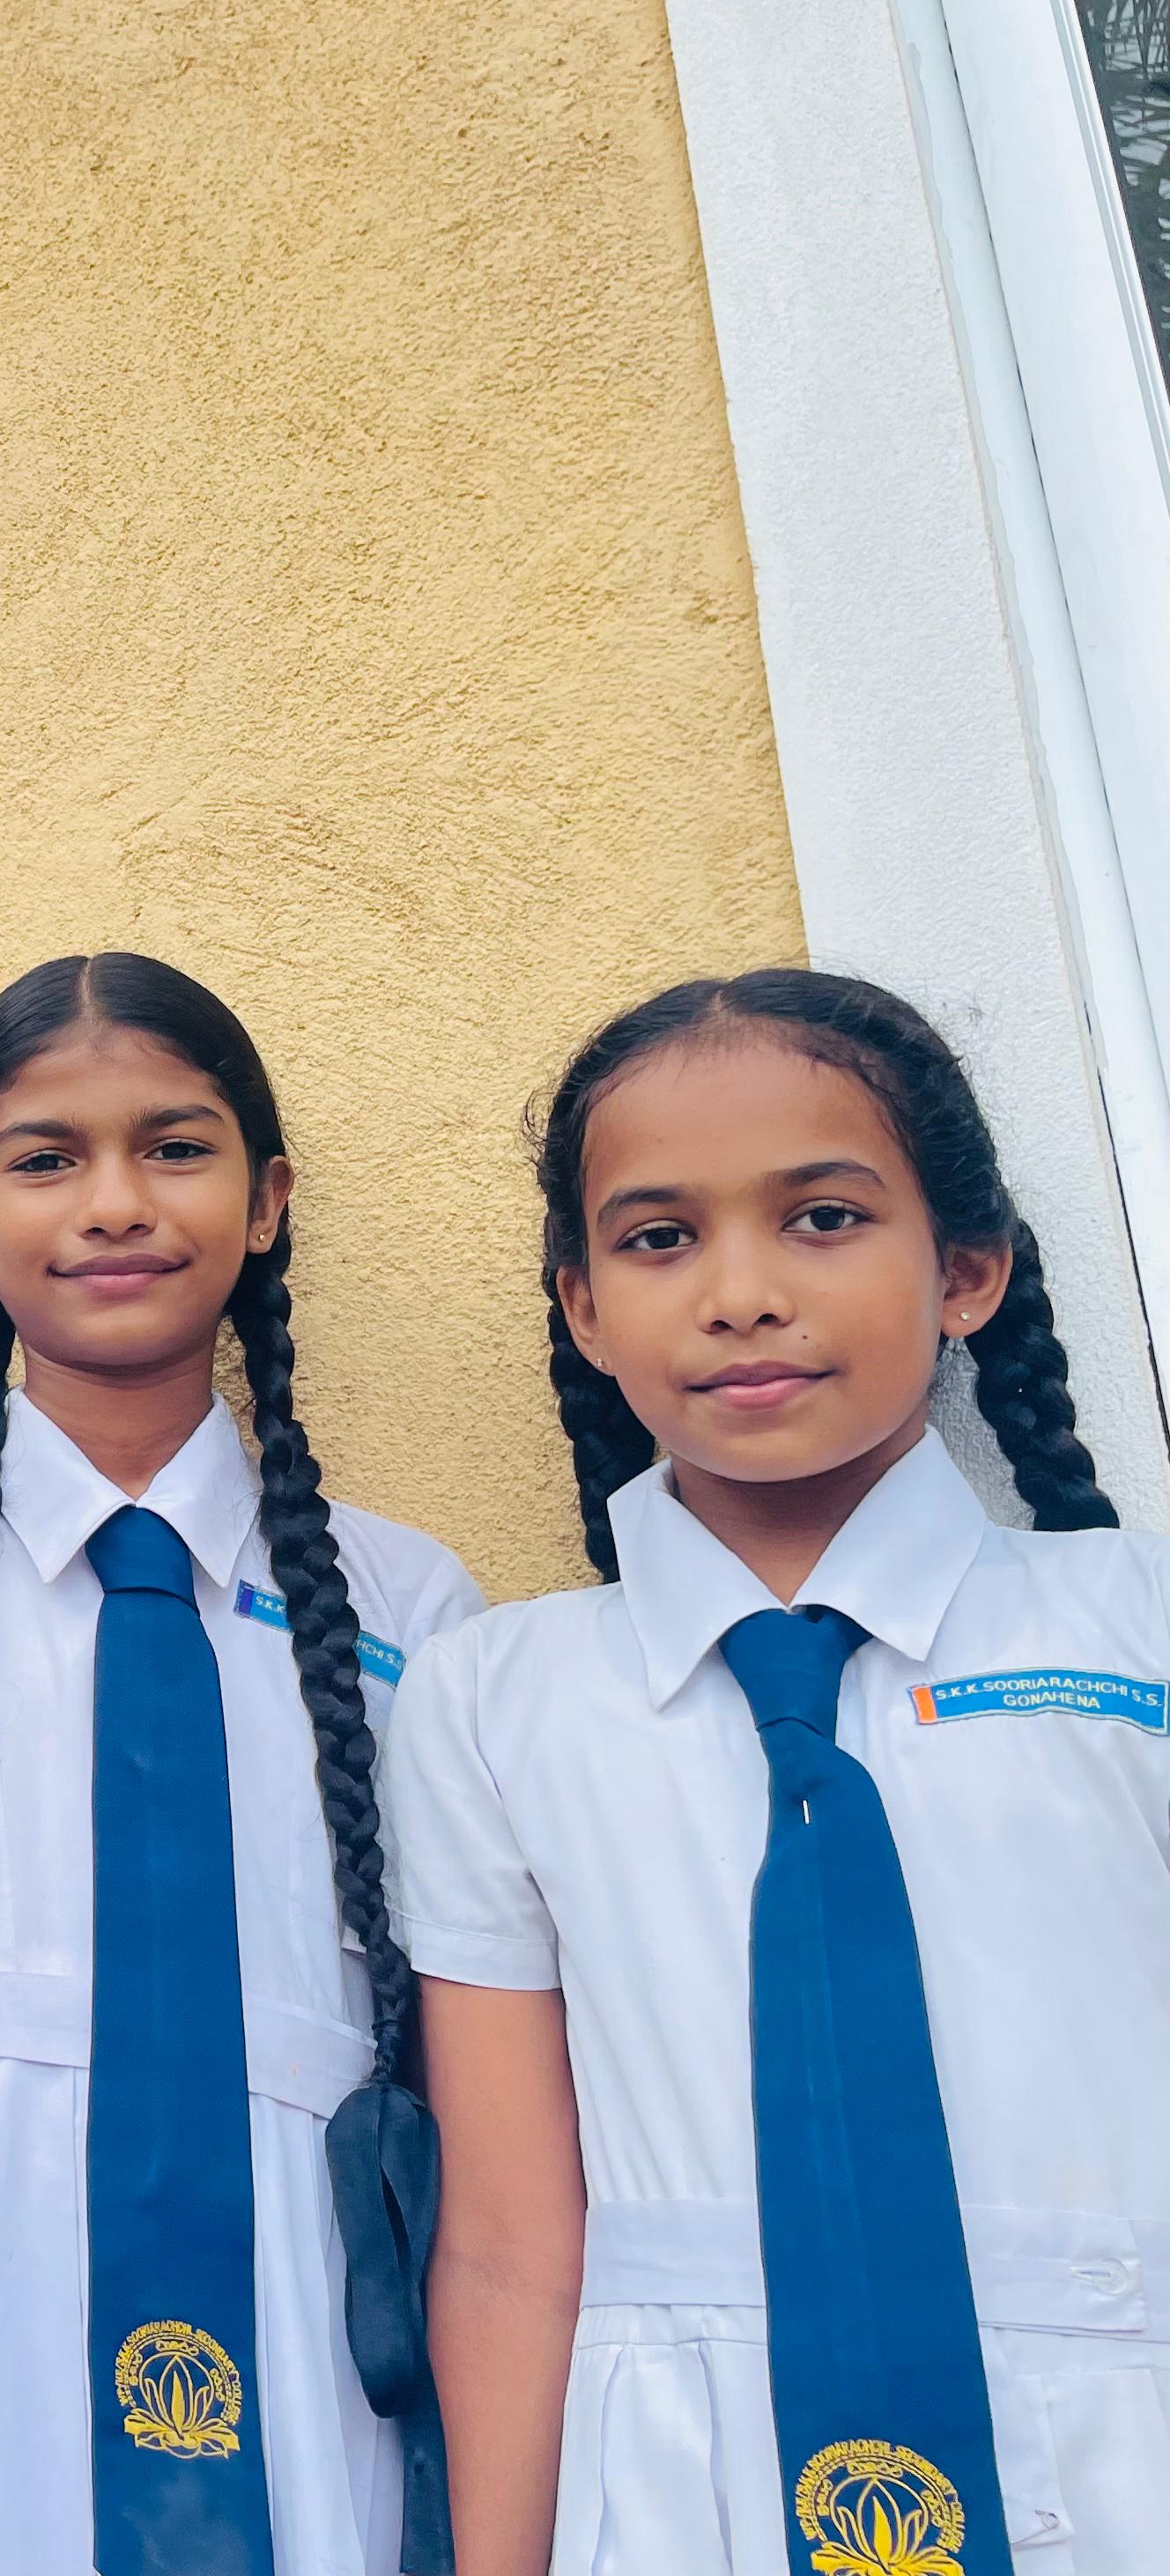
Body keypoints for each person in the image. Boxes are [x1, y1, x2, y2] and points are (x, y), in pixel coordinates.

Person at [0, 952, 484, 2576]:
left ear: (267, 1203)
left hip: (306, 2320)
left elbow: (477, 2122)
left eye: (174, 1148)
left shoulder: (411, 1606)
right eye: (47, 1158)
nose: (115, 1203)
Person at [385, 969, 1167, 2576]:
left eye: (822, 1219)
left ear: (965, 1272)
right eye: (659, 1238)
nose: (740, 1294)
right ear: (583, 1308)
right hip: (678, 2491)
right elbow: (512, 2251)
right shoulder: (494, 1698)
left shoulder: (1137, 1622)